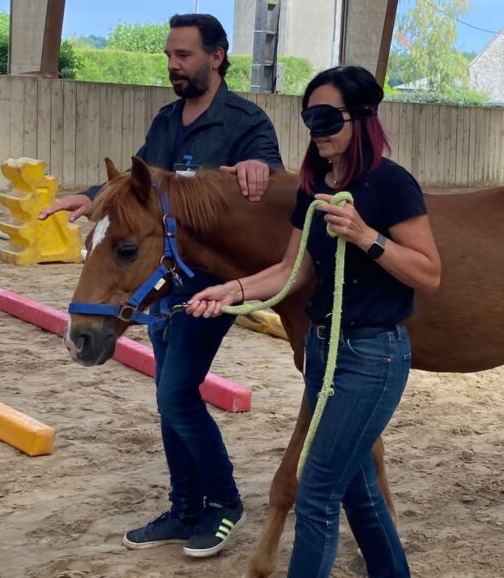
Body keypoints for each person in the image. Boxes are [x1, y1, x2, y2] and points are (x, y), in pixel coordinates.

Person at [40, 13, 283, 558]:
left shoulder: (246, 121)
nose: (174, 65)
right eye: (170, 56)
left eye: (185, 56)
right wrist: (91, 195)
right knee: (168, 396)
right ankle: (184, 509)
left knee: (175, 393)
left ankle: (223, 503)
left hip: (209, 285)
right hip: (160, 281)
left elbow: (267, 185)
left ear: (216, 56)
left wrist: (256, 170)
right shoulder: (168, 119)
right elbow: (142, 184)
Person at [186, 65, 441, 577]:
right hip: (325, 349)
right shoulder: (315, 188)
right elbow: (290, 268)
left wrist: (367, 236)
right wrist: (229, 291)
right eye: (310, 118)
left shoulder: (392, 185)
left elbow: (429, 272)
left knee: (318, 489)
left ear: (362, 117)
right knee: (358, 487)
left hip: (374, 356)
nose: (317, 130)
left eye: (327, 117)